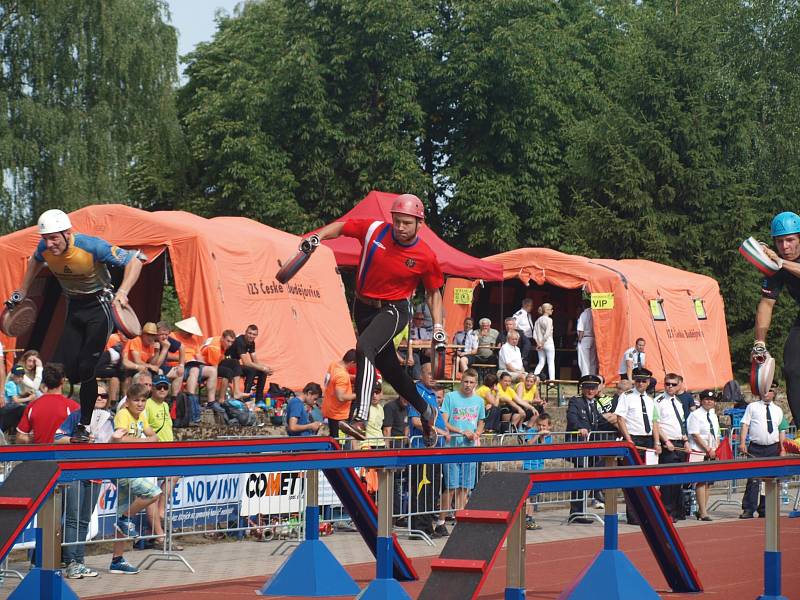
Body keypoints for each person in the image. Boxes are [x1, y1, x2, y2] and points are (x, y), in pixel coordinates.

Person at [314, 193, 445, 446]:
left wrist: (438, 327)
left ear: (419, 223)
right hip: (363, 306)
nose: (400, 227)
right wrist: (318, 236)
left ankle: (360, 418)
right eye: (397, 221)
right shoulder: (374, 230)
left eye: (407, 223)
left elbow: (433, 292)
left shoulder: (425, 256)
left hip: (394, 309)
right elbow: (341, 226)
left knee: (365, 347)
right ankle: (427, 411)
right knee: (392, 372)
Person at [12, 209, 144, 442]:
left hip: (99, 306)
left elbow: (135, 260)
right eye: (45, 238)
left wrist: (123, 292)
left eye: (54, 238)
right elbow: (35, 261)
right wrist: (22, 291)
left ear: (66, 233)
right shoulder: (44, 249)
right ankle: (78, 403)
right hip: (74, 306)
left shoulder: (92, 246)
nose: (49, 243)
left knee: (86, 368)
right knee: (63, 366)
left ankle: (83, 425)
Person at [54, 383, 115, 579]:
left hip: (96, 472)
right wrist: (74, 440)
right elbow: (57, 437)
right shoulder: (76, 415)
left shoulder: (109, 419)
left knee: (84, 520)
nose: (100, 398)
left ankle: (79, 562)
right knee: (72, 518)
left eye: (103, 396)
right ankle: (71, 562)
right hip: (75, 471)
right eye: (95, 395)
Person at [110, 383, 162, 573]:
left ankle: (117, 560)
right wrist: (145, 441)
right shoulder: (123, 414)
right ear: (128, 400)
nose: (140, 404)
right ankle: (125, 518)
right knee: (154, 493)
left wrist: (148, 439)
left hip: (133, 468)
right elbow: (119, 440)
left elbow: (154, 437)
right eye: (136, 400)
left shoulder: (142, 415)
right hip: (121, 468)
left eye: (143, 400)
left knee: (123, 515)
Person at [754, 211, 800, 425]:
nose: (785, 246)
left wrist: (780, 261)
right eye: (780, 241)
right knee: (792, 369)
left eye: (790, 240)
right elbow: (766, 304)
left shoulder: (780, 262)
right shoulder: (777, 265)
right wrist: (759, 342)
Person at [614, 367, 661, 525]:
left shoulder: (649, 399)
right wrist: (628, 440)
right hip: (633, 438)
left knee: (648, 480)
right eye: (638, 380)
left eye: (644, 381)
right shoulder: (626, 397)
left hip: (648, 439)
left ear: (648, 382)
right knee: (632, 480)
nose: (641, 383)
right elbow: (620, 418)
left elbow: (654, 422)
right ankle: (634, 516)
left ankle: (647, 513)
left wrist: (657, 441)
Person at [408, 362, 449, 537]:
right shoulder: (417, 392)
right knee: (422, 489)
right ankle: (420, 528)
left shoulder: (432, 394)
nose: (432, 376)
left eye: (435, 373)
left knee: (432, 490)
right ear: (422, 375)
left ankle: (427, 526)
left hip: (434, 449)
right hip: (423, 449)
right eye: (429, 373)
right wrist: (439, 431)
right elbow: (416, 421)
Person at [440, 369, 485, 522]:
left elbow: (481, 421)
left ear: (476, 384)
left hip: (470, 448)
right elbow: (444, 422)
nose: (468, 385)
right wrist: (461, 431)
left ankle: (460, 518)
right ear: (461, 381)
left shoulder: (479, 401)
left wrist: (477, 433)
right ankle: (441, 520)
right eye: (466, 381)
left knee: (465, 487)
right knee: (451, 487)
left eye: (471, 382)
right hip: (452, 447)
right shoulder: (450, 397)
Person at [739, 387, 787, 519]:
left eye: (770, 390)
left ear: (774, 393)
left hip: (773, 447)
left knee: (769, 480)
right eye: (765, 390)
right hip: (756, 447)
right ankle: (749, 508)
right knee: (753, 479)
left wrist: (782, 449)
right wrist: (742, 443)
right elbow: (745, 425)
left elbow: (782, 430)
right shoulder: (752, 407)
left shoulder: (778, 410)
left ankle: (765, 508)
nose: (767, 393)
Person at [566, 374, 607, 522]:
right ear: (582, 388)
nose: (590, 391)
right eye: (587, 388)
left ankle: (595, 491)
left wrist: (619, 427)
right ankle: (577, 512)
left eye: (593, 388)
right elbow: (572, 418)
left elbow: (600, 422)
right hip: (578, 446)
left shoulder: (594, 404)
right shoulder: (576, 402)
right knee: (579, 478)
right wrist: (580, 427)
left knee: (600, 463)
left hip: (590, 447)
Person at [655, 373, 690, 521]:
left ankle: (676, 510)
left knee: (677, 479)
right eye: (667, 384)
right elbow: (656, 423)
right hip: (668, 443)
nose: (670, 386)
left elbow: (681, 422)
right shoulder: (658, 401)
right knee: (667, 480)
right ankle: (666, 511)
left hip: (679, 442)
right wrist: (666, 441)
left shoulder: (678, 402)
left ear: (679, 385)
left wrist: (686, 440)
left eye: (673, 384)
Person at [16, 363, 79, 444]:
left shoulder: (32, 406)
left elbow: (20, 438)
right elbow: (82, 437)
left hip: (40, 455)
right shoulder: (73, 406)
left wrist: (32, 438)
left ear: (44, 381)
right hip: (63, 455)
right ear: (63, 381)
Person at [686, 390, 720, 521]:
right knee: (701, 481)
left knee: (709, 482)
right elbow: (695, 434)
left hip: (712, 451)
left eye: (711, 400)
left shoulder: (713, 415)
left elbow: (716, 433)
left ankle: (702, 509)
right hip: (699, 451)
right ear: (701, 401)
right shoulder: (695, 415)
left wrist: (716, 448)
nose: (709, 401)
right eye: (706, 399)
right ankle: (704, 512)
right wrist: (707, 449)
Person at [226, 324, 273, 405]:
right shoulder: (240, 341)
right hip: (228, 364)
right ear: (245, 332)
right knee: (251, 370)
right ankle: (246, 398)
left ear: (256, 336)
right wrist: (263, 368)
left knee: (262, 372)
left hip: (236, 365)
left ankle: (259, 400)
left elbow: (255, 362)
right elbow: (246, 362)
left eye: (254, 334)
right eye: (249, 333)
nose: (251, 336)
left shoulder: (252, 343)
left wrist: (265, 368)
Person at [523, 413, 552, 530]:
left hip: (539, 467)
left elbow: (545, 451)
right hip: (529, 466)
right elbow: (528, 444)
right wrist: (537, 435)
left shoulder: (549, 436)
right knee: (527, 494)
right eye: (540, 425)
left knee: (534, 495)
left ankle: (530, 517)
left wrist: (543, 438)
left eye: (544, 426)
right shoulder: (531, 432)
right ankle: (526, 517)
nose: (542, 428)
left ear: (549, 426)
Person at [321, 350, 357, 439]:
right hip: (339, 415)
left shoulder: (333, 365)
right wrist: (357, 395)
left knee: (333, 438)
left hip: (329, 409)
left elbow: (334, 380)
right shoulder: (342, 375)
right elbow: (341, 397)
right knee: (339, 442)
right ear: (352, 362)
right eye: (356, 364)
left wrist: (352, 377)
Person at [2, 365, 32, 433]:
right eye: (18, 376)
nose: (20, 379)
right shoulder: (11, 384)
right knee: (23, 407)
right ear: (12, 375)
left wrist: (25, 394)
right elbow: (15, 400)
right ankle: (19, 429)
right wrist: (29, 398)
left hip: (10, 405)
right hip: (6, 406)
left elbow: (18, 395)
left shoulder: (16, 384)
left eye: (22, 377)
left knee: (24, 406)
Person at [533, 303, 555, 382]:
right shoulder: (549, 320)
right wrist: (542, 343)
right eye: (551, 309)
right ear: (547, 310)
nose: (552, 311)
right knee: (551, 362)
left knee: (541, 362)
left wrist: (538, 343)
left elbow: (534, 334)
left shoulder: (537, 320)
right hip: (548, 343)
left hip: (539, 343)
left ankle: (533, 378)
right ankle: (552, 381)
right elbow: (548, 332)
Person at [576, 302, 598, 377]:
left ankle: (585, 377)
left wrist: (579, 340)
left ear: (583, 306)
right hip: (593, 337)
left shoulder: (583, 314)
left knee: (584, 360)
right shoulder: (594, 313)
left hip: (585, 338)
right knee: (592, 360)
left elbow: (581, 329)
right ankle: (592, 376)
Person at [362, 384, 386, 449]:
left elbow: (381, 428)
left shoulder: (381, 408)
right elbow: (356, 429)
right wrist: (362, 445)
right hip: (367, 445)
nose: (374, 396)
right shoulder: (363, 407)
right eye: (372, 392)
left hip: (381, 443)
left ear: (381, 393)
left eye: (377, 392)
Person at [512, 299, 535, 366]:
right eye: (530, 306)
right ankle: (522, 359)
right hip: (523, 337)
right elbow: (514, 323)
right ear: (525, 305)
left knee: (529, 357)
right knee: (525, 355)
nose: (531, 307)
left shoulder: (528, 314)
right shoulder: (520, 313)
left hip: (530, 337)